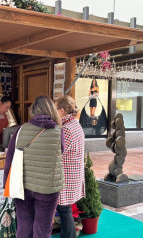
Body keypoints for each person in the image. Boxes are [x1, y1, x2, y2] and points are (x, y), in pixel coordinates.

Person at [3, 96, 64, 238]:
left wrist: (6, 185)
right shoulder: (58, 131)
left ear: (33, 111)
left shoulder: (20, 129)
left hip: (22, 186)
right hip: (47, 188)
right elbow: (61, 151)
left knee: (24, 227)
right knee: (43, 229)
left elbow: (10, 159)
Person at [55, 96, 85, 238]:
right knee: (64, 210)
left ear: (61, 110)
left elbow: (58, 152)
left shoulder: (66, 129)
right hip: (74, 174)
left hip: (66, 175)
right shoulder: (76, 124)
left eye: (55, 109)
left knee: (64, 210)